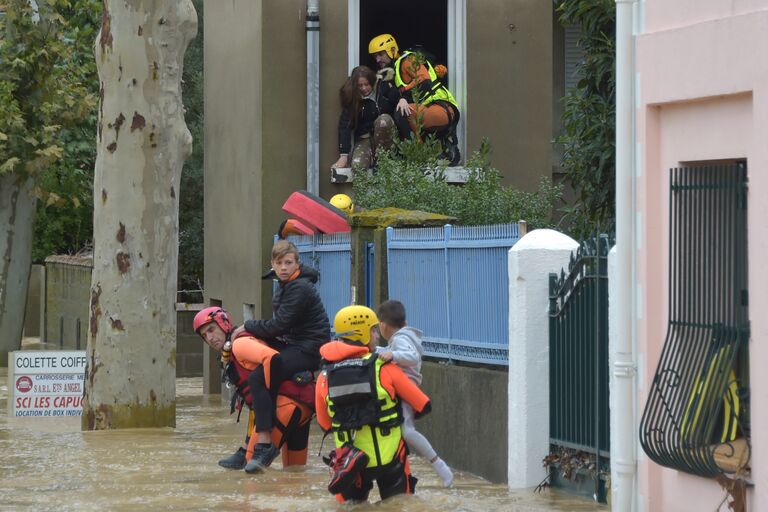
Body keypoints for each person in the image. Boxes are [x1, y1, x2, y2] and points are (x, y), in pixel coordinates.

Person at [231, 240, 331, 472]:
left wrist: (247, 325)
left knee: (258, 377)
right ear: (272, 264)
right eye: (279, 263)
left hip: (309, 349)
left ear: (297, 263)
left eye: (288, 262)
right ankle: (248, 443)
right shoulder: (288, 283)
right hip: (295, 343)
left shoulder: (299, 288)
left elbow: (279, 325)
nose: (283, 267)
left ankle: (264, 443)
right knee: (263, 364)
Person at [315, 305, 433, 503]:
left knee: (350, 507)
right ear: (362, 333)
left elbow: (325, 423)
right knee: (398, 505)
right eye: (373, 330)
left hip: (351, 464)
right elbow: (422, 404)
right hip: (391, 459)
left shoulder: (324, 376)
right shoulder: (385, 368)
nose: (377, 336)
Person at [193, 307, 316, 472]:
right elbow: (256, 404)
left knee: (252, 475)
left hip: (285, 408)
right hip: (303, 407)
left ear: (224, 323)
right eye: (204, 335)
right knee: (295, 475)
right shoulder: (235, 348)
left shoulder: (240, 344)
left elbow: (272, 358)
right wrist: (247, 443)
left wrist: (271, 408)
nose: (210, 338)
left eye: (211, 329)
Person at [376, 299, 454, 487]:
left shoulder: (401, 339)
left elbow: (411, 356)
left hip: (406, 390)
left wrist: (392, 355)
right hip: (402, 390)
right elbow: (390, 351)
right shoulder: (402, 337)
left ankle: (442, 468)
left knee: (407, 431)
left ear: (383, 326)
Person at [368, 33, 461, 165]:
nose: (377, 59)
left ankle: (419, 157)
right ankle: (425, 153)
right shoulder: (391, 72)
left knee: (403, 111)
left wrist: (403, 96)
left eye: (381, 54)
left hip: (442, 108)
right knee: (398, 114)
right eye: (375, 56)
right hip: (425, 109)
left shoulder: (408, 60)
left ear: (392, 50)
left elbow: (425, 81)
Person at [330, 65, 408, 171]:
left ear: (372, 82)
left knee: (383, 121)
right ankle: (367, 173)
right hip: (365, 139)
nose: (364, 88)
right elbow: (345, 126)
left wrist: (403, 99)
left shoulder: (383, 88)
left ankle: (383, 161)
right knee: (357, 167)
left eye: (366, 84)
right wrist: (343, 155)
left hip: (386, 139)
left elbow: (397, 95)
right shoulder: (353, 99)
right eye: (360, 86)